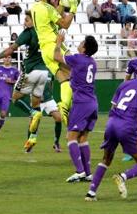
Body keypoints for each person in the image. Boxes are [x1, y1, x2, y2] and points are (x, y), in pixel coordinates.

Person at [0, 11, 62, 153]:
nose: (24, 22)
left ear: (34, 21)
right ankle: (33, 137)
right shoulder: (47, 32)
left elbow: (10, 49)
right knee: (39, 107)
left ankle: (33, 117)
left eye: (26, 20)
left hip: (31, 72)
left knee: (17, 100)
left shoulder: (28, 33)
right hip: (43, 73)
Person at [84, 58, 137, 201]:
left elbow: (113, 106)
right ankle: (122, 177)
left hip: (112, 123)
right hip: (128, 126)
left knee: (106, 159)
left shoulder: (125, 84)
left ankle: (91, 193)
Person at [53, 32, 99, 183]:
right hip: (92, 103)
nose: (79, 45)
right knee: (83, 138)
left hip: (81, 102)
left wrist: (59, 42)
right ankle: (87, 173)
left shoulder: (78, 59)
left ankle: (79, 171)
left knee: (71, 137)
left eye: (81, 43)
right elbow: (75, 72)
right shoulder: (92, 62)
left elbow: (57, 57)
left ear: (84, 48)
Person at [30, 0, 77, 125]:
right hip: (54, 45)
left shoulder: (35, 7)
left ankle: (64, 107)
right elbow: (64, 24)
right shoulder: (48, 8)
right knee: (76, 70)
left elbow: (52, 16)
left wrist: (60, 4)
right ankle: (66, 106)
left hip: (45, 51)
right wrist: (73, 7)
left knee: (63, 78)